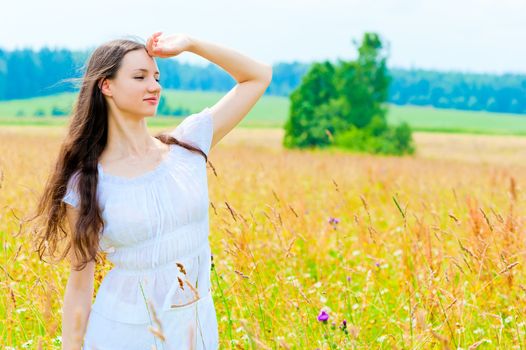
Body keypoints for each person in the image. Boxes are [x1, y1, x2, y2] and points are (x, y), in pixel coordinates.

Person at [32, 32, 272, 349]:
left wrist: (192, 44)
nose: (154, 86)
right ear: (107, 86)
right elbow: (80, 283)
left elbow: (257, 77)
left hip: (195, 330)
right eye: (140, 76)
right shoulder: (87, 180)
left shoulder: (188, 146)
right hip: (121, 333)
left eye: (156, 76)